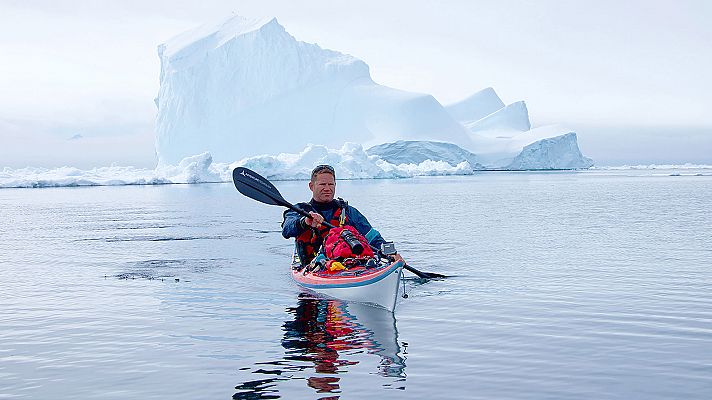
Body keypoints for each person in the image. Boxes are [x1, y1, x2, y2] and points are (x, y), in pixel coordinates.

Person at [282, 164, 405, 267]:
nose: (327, 188)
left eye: (331, 184)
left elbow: (372, 237)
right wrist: (305, 221)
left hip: (346, 266)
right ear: (311, 186)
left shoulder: (348, 212)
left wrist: (391, 253)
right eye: (322, 184)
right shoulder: (299, 210)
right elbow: (287, 230)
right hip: (312, 267)